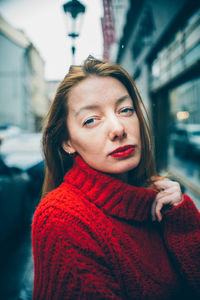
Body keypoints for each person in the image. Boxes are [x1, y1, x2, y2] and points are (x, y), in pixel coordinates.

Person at [32, 56, 200, 300]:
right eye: (91, 120)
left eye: (125, 110)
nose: (118, 128)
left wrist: (182, 223)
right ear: (67, 142)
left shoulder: (157, 200)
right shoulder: (62, 220)